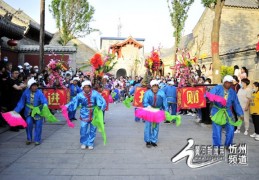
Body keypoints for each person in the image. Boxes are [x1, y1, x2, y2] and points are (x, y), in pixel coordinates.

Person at [65, 80, 106, 150]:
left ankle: (90, 143)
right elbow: (74, 101)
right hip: (84, 113)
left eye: (88, 87)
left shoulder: (95, 94)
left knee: (93, 129)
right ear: (83, 88)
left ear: (90, 88)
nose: (86, 89)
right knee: (83, 129)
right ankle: (84, 142)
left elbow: (102, 101)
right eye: (85, 87)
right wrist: (66, 106)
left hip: (94, 114)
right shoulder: (80, 95)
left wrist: (101, 107)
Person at [209, 75, 244, 147]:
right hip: (217, 111)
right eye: (227, 82)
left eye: (230, 83)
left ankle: (228, 144)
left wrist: (240, 114)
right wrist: (217, 98)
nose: (228, 84)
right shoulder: (217, 88)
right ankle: (217, 146)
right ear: (224, 82)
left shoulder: (233, 92)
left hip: (228, 112)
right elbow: (209, 96)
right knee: (217, 131)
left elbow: (236, 103)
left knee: (231, 129)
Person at [14, 78, 48, 145]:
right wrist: (16, 110)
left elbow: (44, 100)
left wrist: (45, 105)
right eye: (33, 86)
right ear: (30, 86)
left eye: (36, 86)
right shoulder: (25, 92)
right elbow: (21, 102)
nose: (35, 87)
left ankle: (37, 140)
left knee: (38, 126)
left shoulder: (39, 92)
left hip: (38, 112)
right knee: (28, 124)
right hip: (28, 112)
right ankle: (29, 139)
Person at [143, 80, 168, 148]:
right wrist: (149, 107)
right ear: (151, 87)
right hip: (149, 111)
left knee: (156, 126)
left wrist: (166, 112)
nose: (155, 88)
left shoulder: (162, 93)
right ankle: (148, 141)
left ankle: (154, 141)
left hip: (157, 111)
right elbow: (145, 102)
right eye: (154, 87)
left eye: (156, 86)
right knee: (148, 126)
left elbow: (165, 103)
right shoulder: (147, 93)